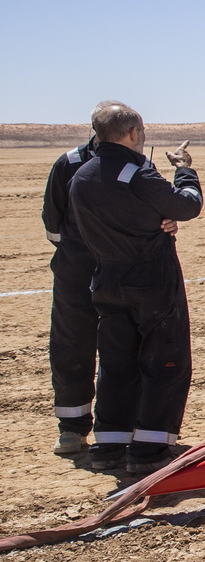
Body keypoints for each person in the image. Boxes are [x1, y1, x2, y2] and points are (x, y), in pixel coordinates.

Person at [65, 101, 204, 475]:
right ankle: (150, 448)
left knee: (115, 363)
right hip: (152, 282)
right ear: (131, 134)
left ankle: (109, 444)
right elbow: (187, 206)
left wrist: (157, 218)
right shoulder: (136, 173)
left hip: (107, 280)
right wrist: (185, 171)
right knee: (165, 361)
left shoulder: (82, 176)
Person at [42, 132, 99, 456]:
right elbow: (53, 222)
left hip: (119, 271)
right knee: (72, 346)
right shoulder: (69, 163)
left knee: (122, 348)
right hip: (77, 273)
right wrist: (79, 254)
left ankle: (117, 428)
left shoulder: (136, 163)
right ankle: (72, 428)